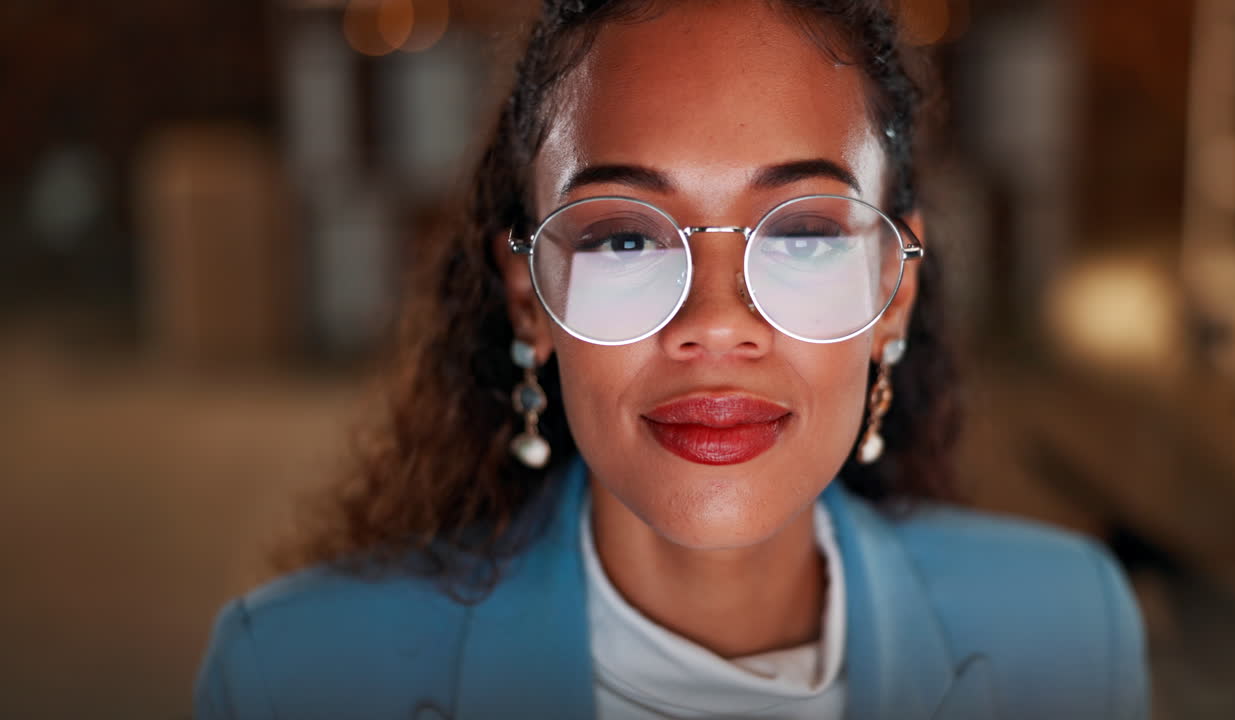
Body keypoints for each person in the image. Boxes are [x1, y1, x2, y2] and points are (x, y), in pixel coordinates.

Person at [195, 1, 1150, 718]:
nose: (717, 322)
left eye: (805, 233)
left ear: (892, 293)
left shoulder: (1069, 630)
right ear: (532, 299)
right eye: (624, 240)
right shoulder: (293, 674)